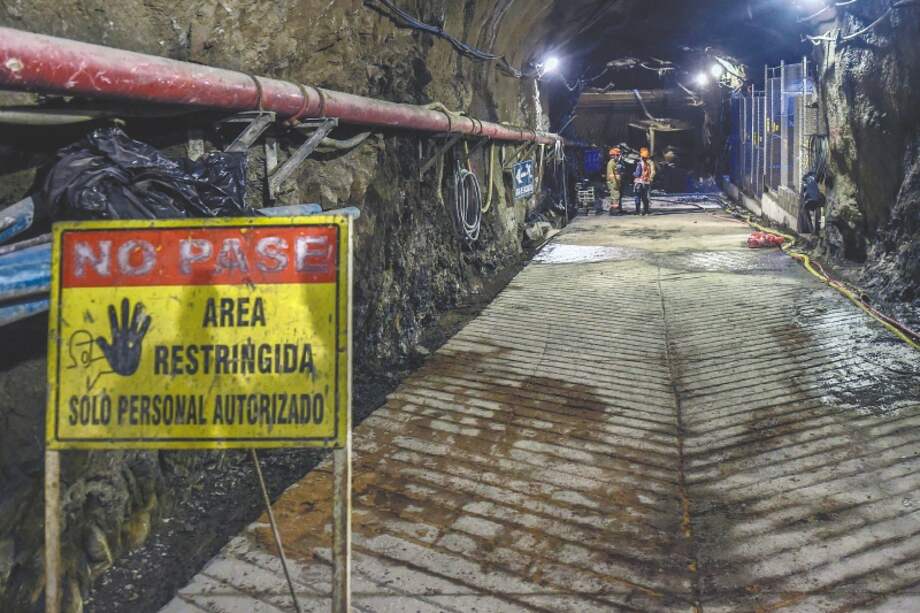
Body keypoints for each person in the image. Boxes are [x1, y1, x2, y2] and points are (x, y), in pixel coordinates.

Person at [633, 147, 655, 215]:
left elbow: (637, 174)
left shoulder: (639, 163)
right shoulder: (649, 163)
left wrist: (633, 173)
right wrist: (650, 178)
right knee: (645, 197)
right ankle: (646, 211)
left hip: (639, 182)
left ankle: (638, 211)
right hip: (646, 182)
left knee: (637, 197)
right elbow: (653, 172)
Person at [606, 147, 625, 214]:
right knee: (615, 196)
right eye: (617, 155)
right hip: (613, 183)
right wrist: (615, 184)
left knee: (616, 196)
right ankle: (614, 211)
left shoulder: (616, 162)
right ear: (613, 155)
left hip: (617, 182)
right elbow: (611, 175)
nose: (618, 156)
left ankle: (616, 209)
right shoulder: (611, 163)